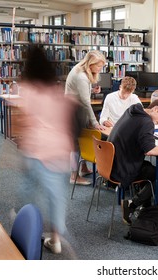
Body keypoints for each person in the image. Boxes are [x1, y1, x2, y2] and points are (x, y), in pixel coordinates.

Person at [16, 45, 77, 254]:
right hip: (61, 149)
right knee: (56, 196)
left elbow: (25, 121)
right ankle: (55, 239)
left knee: (28, 188)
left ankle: (25, 228)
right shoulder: (57, 90)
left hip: (38, 148)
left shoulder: (28, 90)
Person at [107, 99, 158, 225]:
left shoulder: (133, 111)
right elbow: (150, 150)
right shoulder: (146, 121)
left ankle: (144, 206)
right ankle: (132, 205)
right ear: (155, 109)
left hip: (111, 164)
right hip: (123, 169)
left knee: (149, 168)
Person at [65, 50, 107, 185]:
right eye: (99, 66)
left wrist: (91, 90)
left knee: (82, 140)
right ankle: (74, 176)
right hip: (73, 112)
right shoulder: (81, 76)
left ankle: (82, 168)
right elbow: (85, 102)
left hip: (77, 109)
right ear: (91, 64)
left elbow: (80, 93)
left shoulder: (81, 69)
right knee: (75, 145)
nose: (100, 69)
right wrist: (95, 123)